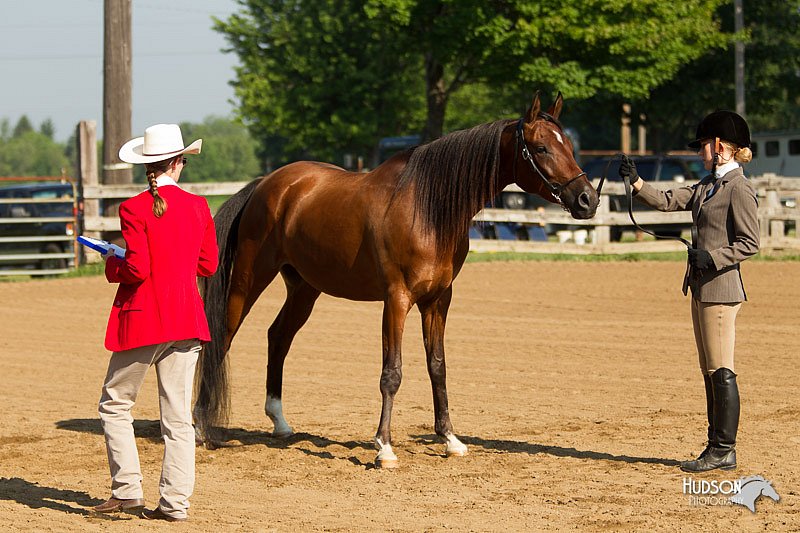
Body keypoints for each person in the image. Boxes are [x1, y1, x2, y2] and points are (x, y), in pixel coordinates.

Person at [619, 110, 759, 472]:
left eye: (704, 147)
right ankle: (716, 446)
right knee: (708, 370)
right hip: (700, 288)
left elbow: (750, 243)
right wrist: (636, 183)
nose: (700, 153)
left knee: (721, 369)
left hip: (721, 288)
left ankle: (724, 449)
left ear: (722, 148)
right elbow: (668, 199)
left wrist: (711, 258)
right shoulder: (707, 185)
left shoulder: (739, 188)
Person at [91, 124, 218, 521]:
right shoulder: (199, 208)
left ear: (147, 166)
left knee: (115, 403)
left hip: (144, 319)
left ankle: (127, 490)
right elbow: (208, 264)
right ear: (178, 163)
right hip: (186, 319)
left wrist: (113, 261)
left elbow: (138, 267)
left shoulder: (133, 208)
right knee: (177, 418)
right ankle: (175, 504)